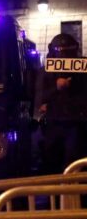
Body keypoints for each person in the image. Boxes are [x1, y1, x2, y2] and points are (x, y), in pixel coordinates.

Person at [39, 33, 87, 173]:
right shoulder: (46, 71)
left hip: (77, 123)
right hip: (54, 122)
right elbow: (40, 95)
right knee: (52, 161)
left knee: (73, 162)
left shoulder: (82, 69)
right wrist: (56, 88)